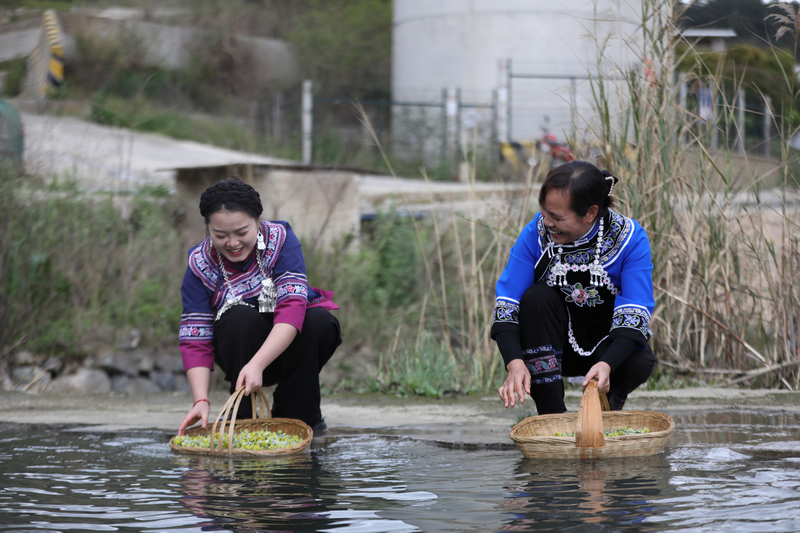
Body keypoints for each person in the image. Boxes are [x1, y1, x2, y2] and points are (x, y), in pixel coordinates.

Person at [177, 177, 341, 436]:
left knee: (319, 321)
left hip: (287, 348)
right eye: (220, 235)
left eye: (242, 232)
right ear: (208, 228)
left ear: (259, 220)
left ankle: (298, 414)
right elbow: (195, 338)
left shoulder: (281, 240)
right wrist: (201, 400)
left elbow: (292, 307)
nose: (232, 243)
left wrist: (258, 364)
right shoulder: (200, 265)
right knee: (239, 317)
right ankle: (242, 418)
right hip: (238, 351)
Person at [493, 160, 656, 415]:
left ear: (591, 213)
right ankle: (551, 415)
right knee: (536, 298)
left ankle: (607, 405)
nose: (546, 222)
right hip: (555, 349)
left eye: (556, 217)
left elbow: (635, 313)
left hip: (607, 347)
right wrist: (514, 363)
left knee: (640, 360)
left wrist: (607, 364)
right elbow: (507, 303)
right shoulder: (536, 233)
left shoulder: (629, 239)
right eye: (544, 211)